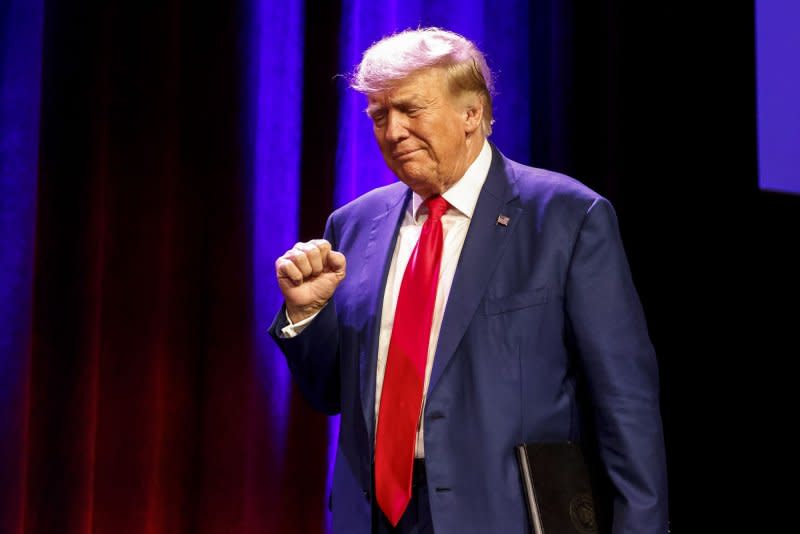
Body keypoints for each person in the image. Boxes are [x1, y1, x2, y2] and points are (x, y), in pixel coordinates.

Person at [270, 27, 668, 534]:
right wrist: (308, 316)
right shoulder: (353, 224)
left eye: (410, 110)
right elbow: (329, 392)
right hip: (373, 517)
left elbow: (624, 400)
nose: (392, 132)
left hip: (507, 515)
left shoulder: (566, 217)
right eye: (378, 115)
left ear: (472, 114)